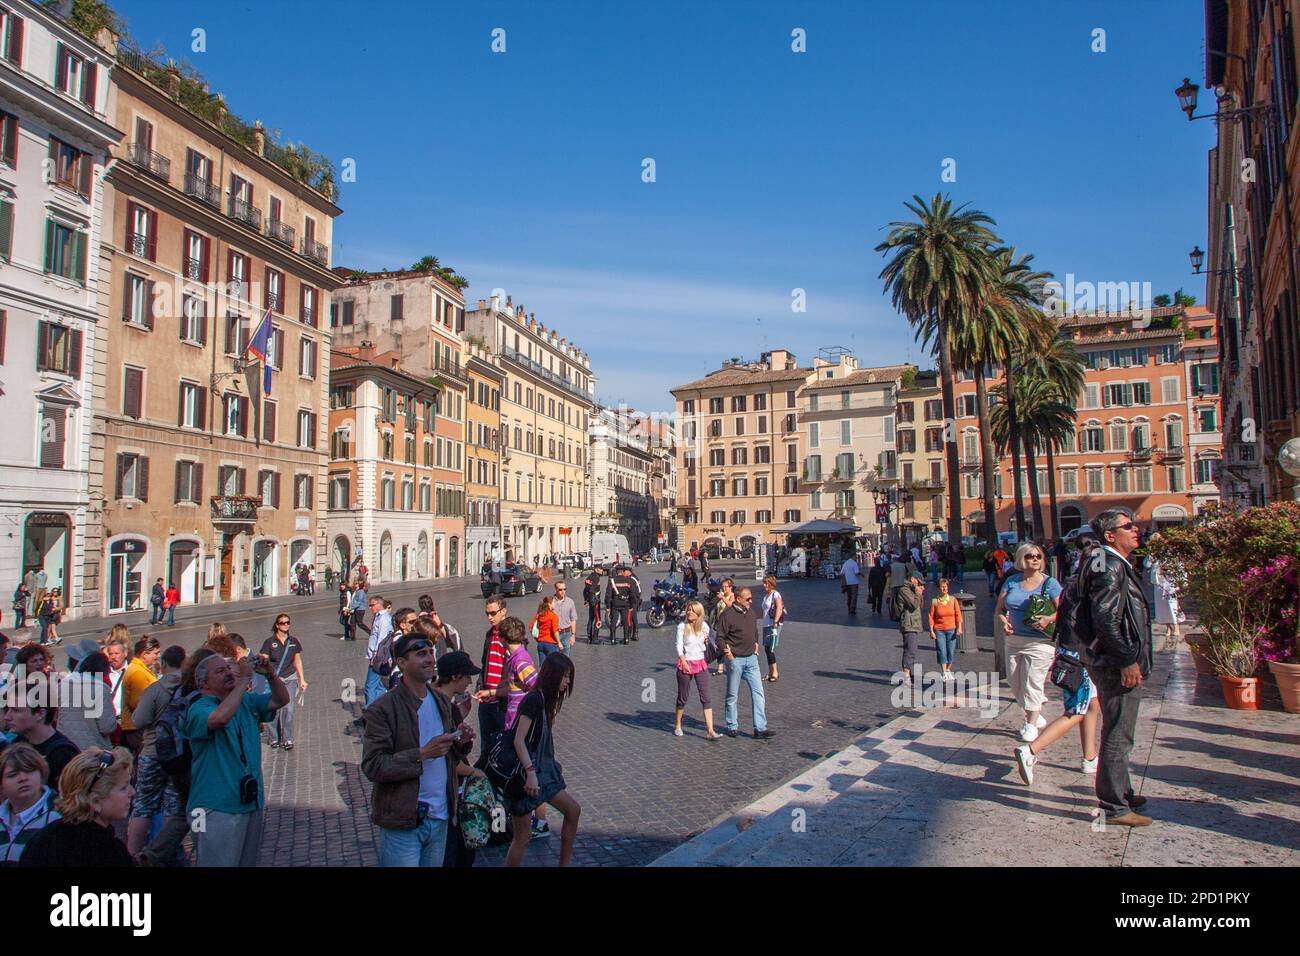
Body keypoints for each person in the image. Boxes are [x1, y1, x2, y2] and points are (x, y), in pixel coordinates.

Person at [361, 631, 476, 867]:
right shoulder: (382, 709)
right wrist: (422, 753)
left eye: (431, 653)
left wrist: (460, 742)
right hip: (404, 819)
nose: (430, 659)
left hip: (440, 815)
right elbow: (373, 766)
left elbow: (449, 756)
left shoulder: (441, 700)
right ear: (401, 663)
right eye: (421, 654)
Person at [1082, 507, 1154, 827]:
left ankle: (1122, 792)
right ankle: (1113, 806)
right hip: (1115, 662)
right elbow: (1105, 617)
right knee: (1119, 732)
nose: (1136, 529)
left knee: (1120, 728)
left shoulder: (1110, 562)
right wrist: (1126, 659)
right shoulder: (1109, 566)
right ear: (1111, 535)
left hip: (1111, 658)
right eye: (1128, 526)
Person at [182, 652, 289, 866]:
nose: (229, 673)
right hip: (215, 808)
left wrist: (270, 675)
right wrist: (243, 680)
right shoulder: (198, 709)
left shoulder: (245, 701)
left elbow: (281, 699)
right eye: (220, 671)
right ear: (203, 684)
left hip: (249, 802)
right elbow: (219, 718)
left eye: (229, 668)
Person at [1014, 533, 1102, 787]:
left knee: (1091, 705)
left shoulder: (1072, 583)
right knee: (1077, 709)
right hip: (1081, 652)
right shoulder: (1092, 586)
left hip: (1068, 649)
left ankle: (1089, 757)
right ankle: (1031, 751)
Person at [504, 653, 580, 866]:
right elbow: (519, 740)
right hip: (528, 775)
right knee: (522, 837)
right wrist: (530, 773)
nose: (567, 683)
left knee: (572, 811)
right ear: (553, 676)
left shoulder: (547, 699)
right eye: (564, 677)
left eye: (568, 678)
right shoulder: (534, 700)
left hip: (542, 772)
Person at [19, 747, 135, 867]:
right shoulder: (108, 852)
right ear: (95, 801)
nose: (132, 793)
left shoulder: (42, 839)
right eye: (123, 788)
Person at [996, 542, 1063, 743]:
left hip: (1040, 642)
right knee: (1014, 682)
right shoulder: (1012, 582)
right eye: (1030, 556)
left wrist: (1048, 619)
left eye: (1038, 556)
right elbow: (999, 609)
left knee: (1032, 682)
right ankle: (1035, 711)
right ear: (1021, 559)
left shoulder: (1049, 583)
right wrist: (1004, 622)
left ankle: (1031, 723)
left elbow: (1064, 609)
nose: (1035, 559)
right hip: (1014, 639)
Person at [125, 644, 186, 859]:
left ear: (165, 665)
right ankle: (171, 850)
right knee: (173, 804)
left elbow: (139, 720)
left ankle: (132, 854)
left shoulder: (155, 689)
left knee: (144, 805)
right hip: (179, 754)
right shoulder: (189, 688)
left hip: (152, 751)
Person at [4, 675, 79, 790]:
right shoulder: (16, 744)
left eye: (16, 710)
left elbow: (70, 800)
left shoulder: (63, 754)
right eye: (8, 709)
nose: (7, 716)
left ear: (40, 714)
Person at [716, 588, 774, 739]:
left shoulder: (751, 613)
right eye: (747, 599)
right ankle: (732, 725)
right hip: (736, 659)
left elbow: (754, 630)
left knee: (758, 693)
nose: (751, 601)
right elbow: (720, 637)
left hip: (752, 659)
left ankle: (760, 728)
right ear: (738, 599)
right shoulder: (727, 615)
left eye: (751, 598)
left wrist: (756, 643)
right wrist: (728, 654)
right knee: (732, 694)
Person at [0, 743, 61, 864]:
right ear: (1, 785)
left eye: (29, 770)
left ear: (42, 773)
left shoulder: (59, 815)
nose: (23, 778)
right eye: (13, 775)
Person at [673, 600, 721, 739]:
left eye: (693, 610)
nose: (690, 612)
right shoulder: (682, 626)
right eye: (688, 609)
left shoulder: (704, 626)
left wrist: (708, 639)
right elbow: (678, 646)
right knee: (683, 697)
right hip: (686, 663)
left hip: (700, 663)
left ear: (699, 613)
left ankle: (710, 731)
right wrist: (683, 661)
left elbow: (711, 642)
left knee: (706, 698)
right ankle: (677, 725)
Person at [57, 648, 117, 753]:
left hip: (65, 745)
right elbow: (107, 727)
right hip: (93, 749)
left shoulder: (63, 684)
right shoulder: (100, 689)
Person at [261, 614, 307, 750]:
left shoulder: (294, 641)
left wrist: (302, 679)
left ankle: (288, 739)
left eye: (288, 623)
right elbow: (264, 660)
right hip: (275, 680)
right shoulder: (269, 642)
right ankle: (274, 738)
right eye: (282, 623)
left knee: (289, 709)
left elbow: (297, 661)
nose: (286, 625)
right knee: (274, 708)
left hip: (290, 678)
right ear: (277, 625)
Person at [474, 596, 509, 755]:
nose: (489, 617)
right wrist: (480, 684)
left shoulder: (511, 635)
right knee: (486, 747)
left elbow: (512, 670)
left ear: (503, 612)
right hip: (486, 699)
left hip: (502, 701)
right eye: (487, 613)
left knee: (505, 746)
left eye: (493, 613)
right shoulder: (490, 634)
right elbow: (484, 663)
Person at [121, 636, 160, 755]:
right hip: (138, 729)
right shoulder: (138, 673)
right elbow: (138, 704)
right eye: (156, 653)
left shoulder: (140, 669)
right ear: (144, 654)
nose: (158, 656)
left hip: (137, 727)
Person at [927, 578, 962, 680]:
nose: (944, 589)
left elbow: (958, 614)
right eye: (942, 587)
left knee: (951, 651)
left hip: (951, 629)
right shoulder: (935, 602)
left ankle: (948, 670)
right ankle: (943, 672)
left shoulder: (952, 600)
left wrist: (959, 627)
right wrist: (931, 630)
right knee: (942, 651)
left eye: (946, 587)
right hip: (939, 630)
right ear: (939, 588)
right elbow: (931, 617)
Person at [364, 595, 394, 706]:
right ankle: (381, 705)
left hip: (378, 657)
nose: (370, 607)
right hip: (376, 656)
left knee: (369, 686)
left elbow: (381, 639)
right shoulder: (378, 617)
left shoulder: (384, 619)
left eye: (372, 605)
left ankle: (368, 711)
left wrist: (375, 655)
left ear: (379, 604)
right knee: (380, 685)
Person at [894, 575, 923, 684]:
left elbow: (920, 605)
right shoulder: (904, 590)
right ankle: (906, 675)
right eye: (918, 582)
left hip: (914, 623)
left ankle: (910, 674)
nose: (919, 584)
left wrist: (920, 593)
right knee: (910, 649)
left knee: (912, 649)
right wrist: (917, 593)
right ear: (912, 578)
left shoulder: (912, 589)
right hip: (908, 623)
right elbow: (913, 605)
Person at [1151, 559, 1182, 652]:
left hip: (1170, 584)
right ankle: (1168, 627)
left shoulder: (1173, 556)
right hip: (1160, 585)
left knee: (1172, 606)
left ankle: (1176, 626)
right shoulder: (1156, 559)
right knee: (1162, 607)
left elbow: (1179, 569)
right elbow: (1148, 564)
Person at [760, 575, 785, 682]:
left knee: (770, 648)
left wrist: (775, 621)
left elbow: (779, 607)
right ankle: (770, 672)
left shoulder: (776, 594)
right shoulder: (766, 596)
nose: (764, 585)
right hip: (766, 624)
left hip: (772, 624)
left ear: (771, 584)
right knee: (767, 648)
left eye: (766, 583)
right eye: (764, 583)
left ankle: (774, 672)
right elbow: (763, 612)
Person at [605, 564, 637, 645]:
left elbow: (608, 594)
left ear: (616, 572)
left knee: (613, 622)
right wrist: (632, 605)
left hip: (615, 604)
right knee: (626, 622)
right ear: (623, 572)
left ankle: (612, 639)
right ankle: (626, 639)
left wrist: (608, 606)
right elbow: (632, 594)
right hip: (625, 604)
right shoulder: (628, 581)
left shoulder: (612, 581)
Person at [531, 596, 561, 663]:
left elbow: (531, 627)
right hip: (551, 644)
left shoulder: (539, 615)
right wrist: (559, 642)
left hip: (541, 644)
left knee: (543, 667)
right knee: (552, 666)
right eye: (553, 602)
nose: (555, 604)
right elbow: (555, 630)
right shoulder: (553, 616)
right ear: (549, 604)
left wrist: (537, 639)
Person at [581, 566, 606, 645]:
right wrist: (594, 599)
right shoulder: (596, 577)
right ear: (596, 569)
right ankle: (595, 638)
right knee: (598, 619)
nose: (602, 570)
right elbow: (592, 590)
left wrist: (586, 599)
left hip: (590, 600)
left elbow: (585, 590)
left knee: (591, 619)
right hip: (595, 601)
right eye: (600, 569)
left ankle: (589, 638)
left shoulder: (589, 577)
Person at [552, 581, 577, 656]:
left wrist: (573, 635)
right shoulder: (551, 602)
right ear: (556, 589)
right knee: (554, 660)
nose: (563, 591)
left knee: (566, 659)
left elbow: (573, 619)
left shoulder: (570, 601)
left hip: (566, 634)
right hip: (554, 635)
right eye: (560, 589)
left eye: (564, 589)